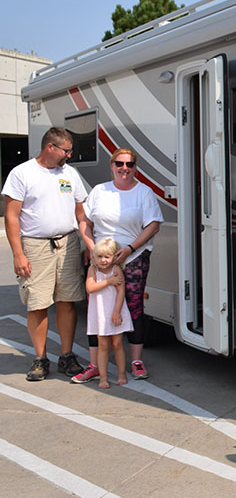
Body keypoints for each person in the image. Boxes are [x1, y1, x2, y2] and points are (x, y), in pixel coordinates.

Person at [2, 127, 86, 381]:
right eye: (66, 150)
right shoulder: (22, 173)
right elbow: (12, 216)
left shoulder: (70, 174)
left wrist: (88, 244)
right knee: (38, 303)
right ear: (50, 147)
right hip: (35, 246)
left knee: (67, 301)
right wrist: (18, 254)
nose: (69, 155)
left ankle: (67, 356)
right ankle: (40, 359)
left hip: (68, 243)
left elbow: (81, 212)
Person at [74, 147, 163, 383]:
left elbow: (153, 225)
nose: (125, 168)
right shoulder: (100, 191)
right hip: (102, 261)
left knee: (134, 308)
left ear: (135, 167)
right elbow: (85, 222)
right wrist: (92, 248)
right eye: (120, 164)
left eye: (130, 164)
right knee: (97, 309)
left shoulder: (144, 192)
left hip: (133, 257)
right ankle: (94, 365)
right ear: (112, 165)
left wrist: (130, 249)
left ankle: (136, 361)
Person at [85, 238, 130, 388]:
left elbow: (121, 290)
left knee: (117, 343)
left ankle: (121, 374)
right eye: (99, 257)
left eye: (107, 257)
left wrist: (117, 312)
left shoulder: (116, 269)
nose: (103, 260)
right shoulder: (93, 270)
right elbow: (90, 288)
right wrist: (108, 282)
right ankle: (103, 378)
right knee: (103, 345)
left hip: (114, 310)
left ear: (114, 257)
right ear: (94, 257)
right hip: (99, 311)